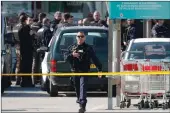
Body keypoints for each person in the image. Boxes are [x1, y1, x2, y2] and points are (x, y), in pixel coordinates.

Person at [65, 31, 102, 113]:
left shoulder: (88, 48)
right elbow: (65, 58)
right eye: (79, 36)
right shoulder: (72, 47)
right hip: (75, 71)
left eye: (82, 36)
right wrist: (72, 55)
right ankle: (80, 101)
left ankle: (82, 105)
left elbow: (95, 59)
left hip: (84, 71)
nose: (80, 38)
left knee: (83, 88)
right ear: (76, 37)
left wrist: (99, 69)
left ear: (85, 38)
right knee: (77, 88)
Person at [18, 15, 34, 87]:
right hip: (27, 50)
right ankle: (27, 82)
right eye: (29, 20)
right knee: (27, 66)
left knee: (23, 65)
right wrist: (32, 35)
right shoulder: (26, 28)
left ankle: (23, 81)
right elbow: (29, 39)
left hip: (22, 49)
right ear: (25, 21)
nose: (31, 21)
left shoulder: (20, 27)